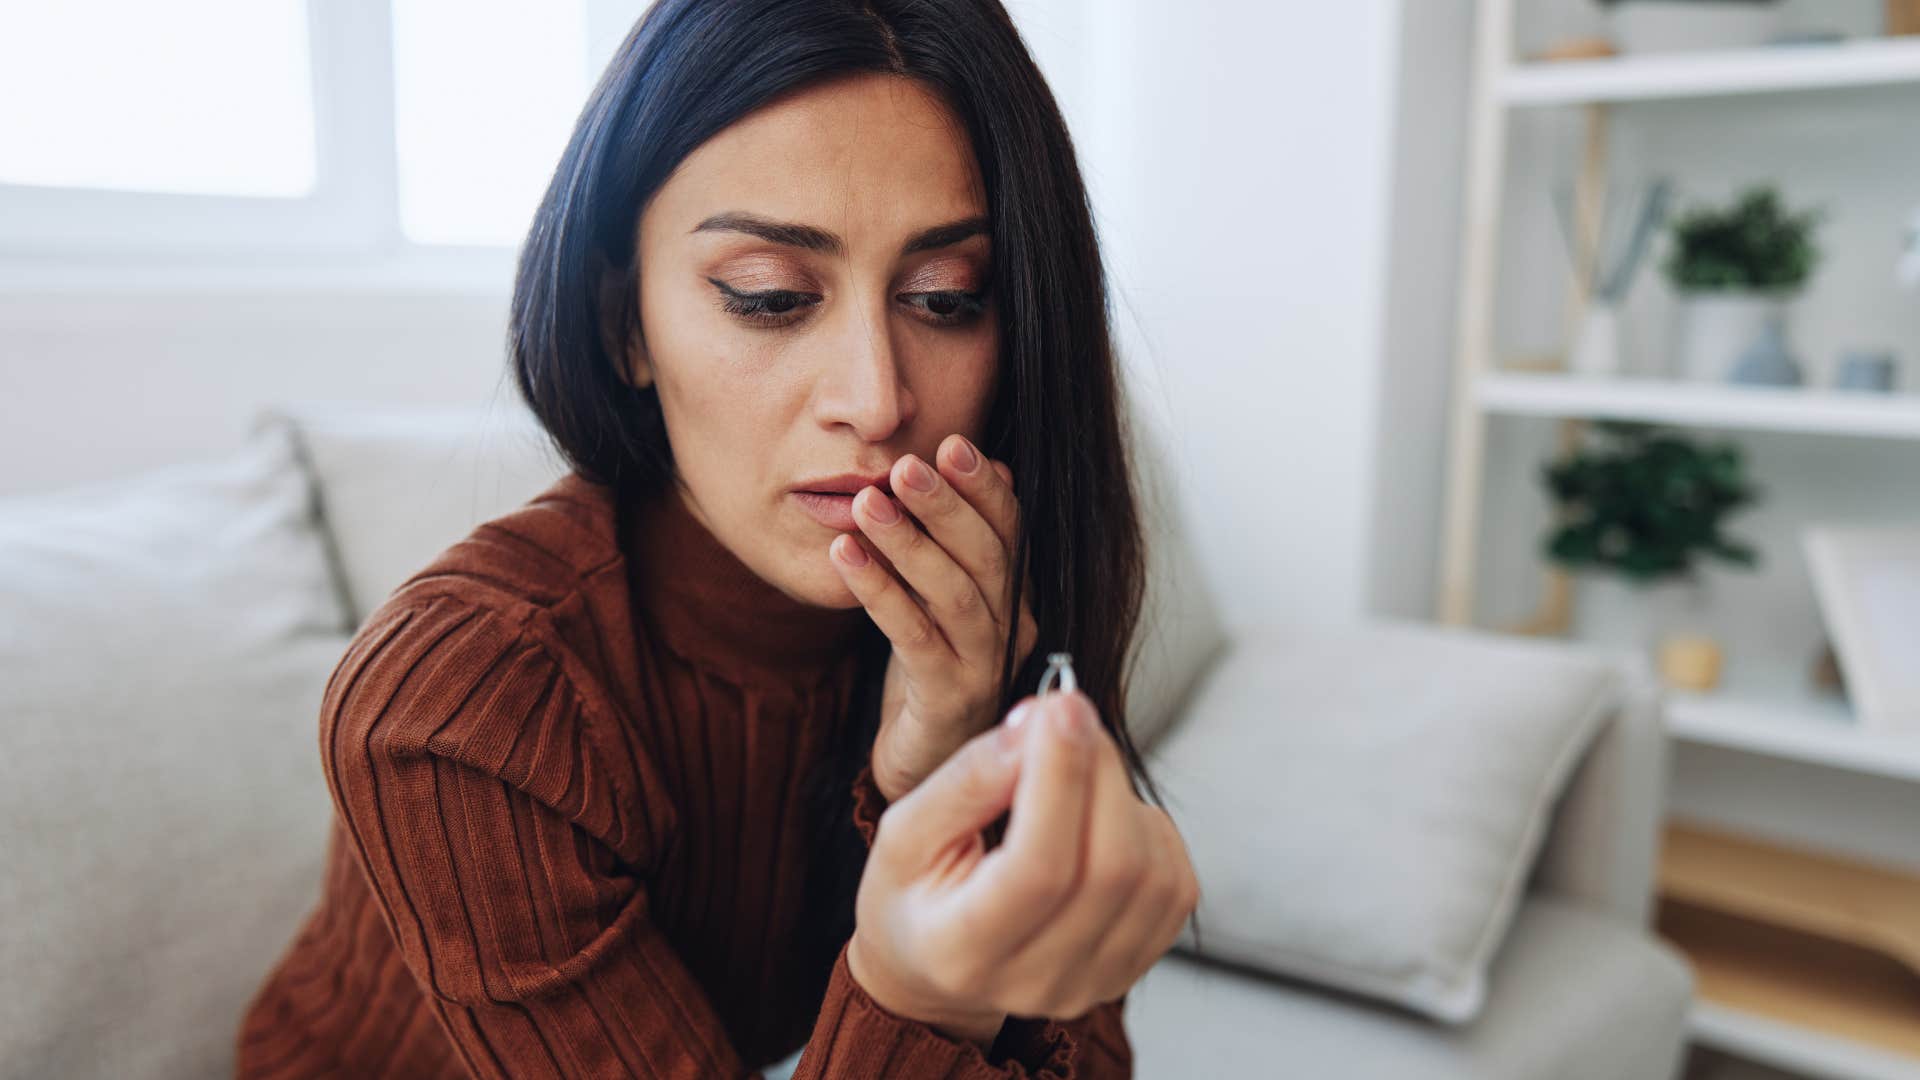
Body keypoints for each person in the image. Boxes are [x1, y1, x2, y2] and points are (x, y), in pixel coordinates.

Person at [235, 0, 1197, 1076]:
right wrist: (922, 993)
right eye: (769, 297)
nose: (876, 399)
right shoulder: (459, 702)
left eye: (944, 299)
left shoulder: (990, 600)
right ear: (625, 325)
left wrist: (944, 773)